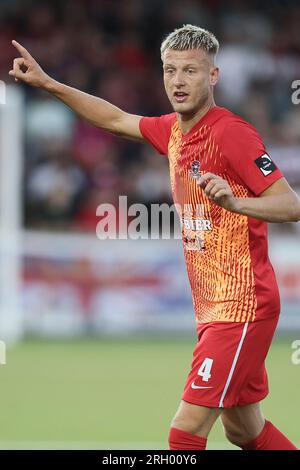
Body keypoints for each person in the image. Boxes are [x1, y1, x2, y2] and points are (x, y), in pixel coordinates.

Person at [9, 24, 300, 451]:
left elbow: (290, 204)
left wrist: (238, 205)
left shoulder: (230, 133)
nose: (178, 82)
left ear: (213, 76)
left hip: (242, 308)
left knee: (184, 434)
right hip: (214, 309)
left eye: (190, 71)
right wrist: (50, 84)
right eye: (170, 70)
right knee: (244, 431)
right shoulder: (174, 131)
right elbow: (113, 118)